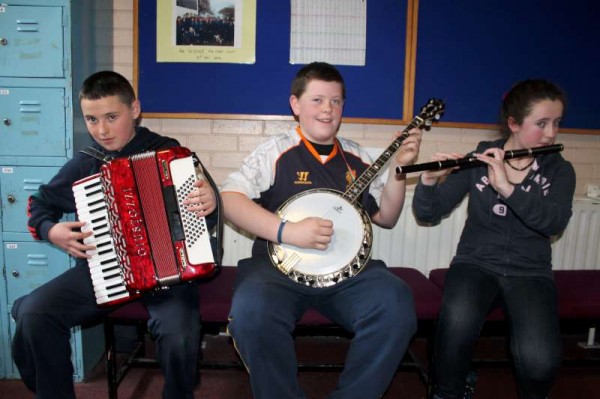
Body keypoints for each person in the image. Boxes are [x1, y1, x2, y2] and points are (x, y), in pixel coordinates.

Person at [11, 70, 220, 399]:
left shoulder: (170, 153)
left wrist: (210, 201)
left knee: (179, 334)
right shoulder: (86, 163)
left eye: (112, 117)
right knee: (34, 313)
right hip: (102, 272)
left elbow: (207, 208)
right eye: (91, 119)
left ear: (135, 109)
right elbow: (40, 204)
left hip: (169, 275)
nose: (102, 130)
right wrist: (52, 231)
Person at [220, 61, 421, 399]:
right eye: (317, 100)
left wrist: (399, 169)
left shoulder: (357, 157)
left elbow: (386, 216)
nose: (328, 109)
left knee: (395, 303)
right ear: (295, 105)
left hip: (347, 273)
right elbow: (229, 199)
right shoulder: (274, 152)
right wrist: (287, 231)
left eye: (336, 101)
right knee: (250, 314)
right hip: (276, 270)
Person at [412, 79, 576, 399]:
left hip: (530, 270)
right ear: (513, 123)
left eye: (556, 123)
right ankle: (449, 392)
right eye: (541, 124)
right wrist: (429, 182)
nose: (551, 134)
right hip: (476, 262)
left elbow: (554, 223)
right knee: (454, 329)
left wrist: (508, 189)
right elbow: (429, 213)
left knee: (539, 361)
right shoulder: (481, 157)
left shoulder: (560, 170)